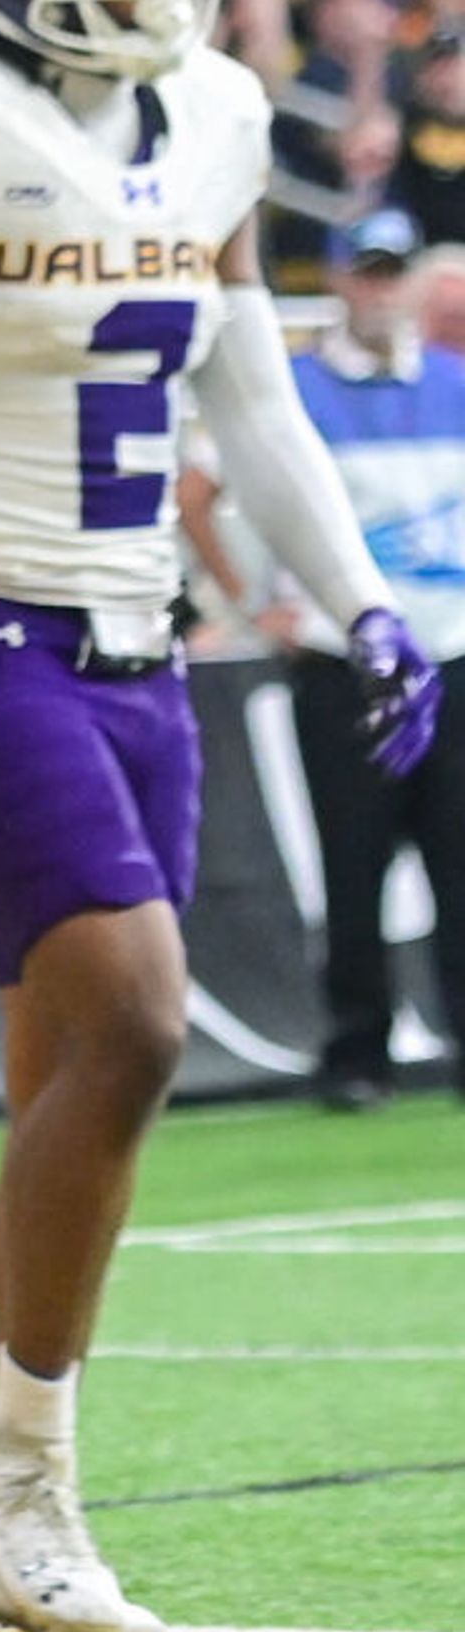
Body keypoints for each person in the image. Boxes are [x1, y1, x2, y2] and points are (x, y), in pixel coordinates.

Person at [0, 0, 447, 1632]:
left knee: (65, 1078)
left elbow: (250, 394)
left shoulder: (219, 117)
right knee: (143, 1028)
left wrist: (362, 604)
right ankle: (26, 1483)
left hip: (140, 637)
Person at [262, 209, 465, 1109]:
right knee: (353, 861)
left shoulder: (456, 381)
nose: (382, 289)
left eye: (395, 271)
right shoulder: (296, 386)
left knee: (458, 860)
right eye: (368, 271)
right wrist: (254, 600)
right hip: (344, 661)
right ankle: (357, 1049)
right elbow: (201, 488)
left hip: (453, 651)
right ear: (340, 279)